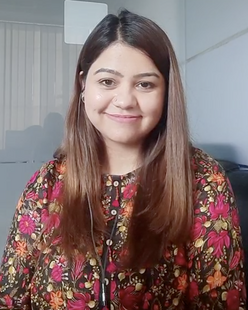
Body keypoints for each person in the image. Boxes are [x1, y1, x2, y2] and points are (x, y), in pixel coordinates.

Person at [0, 9, 246, 310]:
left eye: (145, 84)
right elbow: (10, 298)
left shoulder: (203, 181)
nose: (125, 99)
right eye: (107, 82)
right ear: (83, 86)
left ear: (166, 92)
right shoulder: (47, 183)